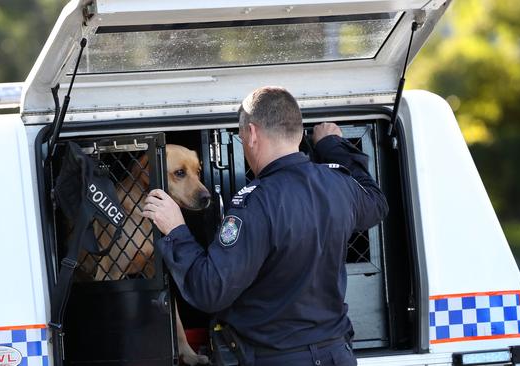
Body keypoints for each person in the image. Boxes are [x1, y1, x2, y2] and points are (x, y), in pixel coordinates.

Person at [142, 86, 388, 366]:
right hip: (338, 355)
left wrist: (176, 231)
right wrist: (333, 146)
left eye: (241, 135)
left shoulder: (255, 203)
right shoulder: (340, 185)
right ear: (295, 130)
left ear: (253, 134)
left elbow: (209, 290)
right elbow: (377, 203)